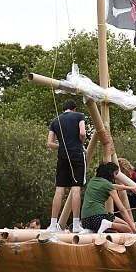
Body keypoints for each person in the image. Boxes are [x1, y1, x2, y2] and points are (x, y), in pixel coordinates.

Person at [46, 98, 87, 233]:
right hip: (76, 155)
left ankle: (53, 224)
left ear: (64, 108)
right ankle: (75, 224)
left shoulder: (55, 121)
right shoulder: (79, 116)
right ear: (74, 108)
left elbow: (50, 144)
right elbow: (82, 133)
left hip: (62, 156)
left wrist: (62, 146)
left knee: (59, 190)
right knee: (75, 189)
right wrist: (81, 143)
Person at [79, 162, 136, 234]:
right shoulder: (108, 185)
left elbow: (114, 186)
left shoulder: (93, 180)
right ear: (111, 173)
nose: (116, 176)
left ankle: (92, 230)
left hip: (85, 221)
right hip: (99, 217)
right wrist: (133, 229)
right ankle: (107, 224)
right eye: (115, 173)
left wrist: (131, 188)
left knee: (117, 227)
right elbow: (122, 209)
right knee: (128, 228)